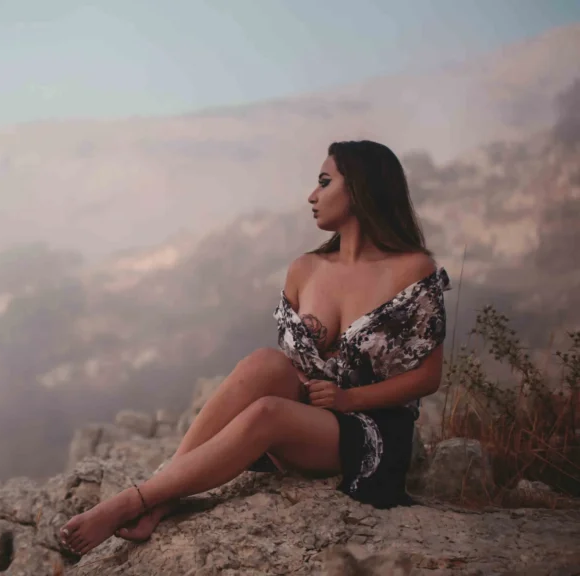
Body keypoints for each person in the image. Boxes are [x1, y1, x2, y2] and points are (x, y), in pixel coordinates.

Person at [58, 140, 451, 556]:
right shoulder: (306, 269)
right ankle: (165, 494)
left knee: (267, 413)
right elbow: (293, 366)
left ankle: (132, 501)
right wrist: (309, 387)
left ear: (359, 188)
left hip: (372, 432)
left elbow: (428, 377)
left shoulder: (412, 269)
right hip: (312, 418)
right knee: (266, 362)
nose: (311, 196)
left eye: (324, 182)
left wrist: (347, 397)